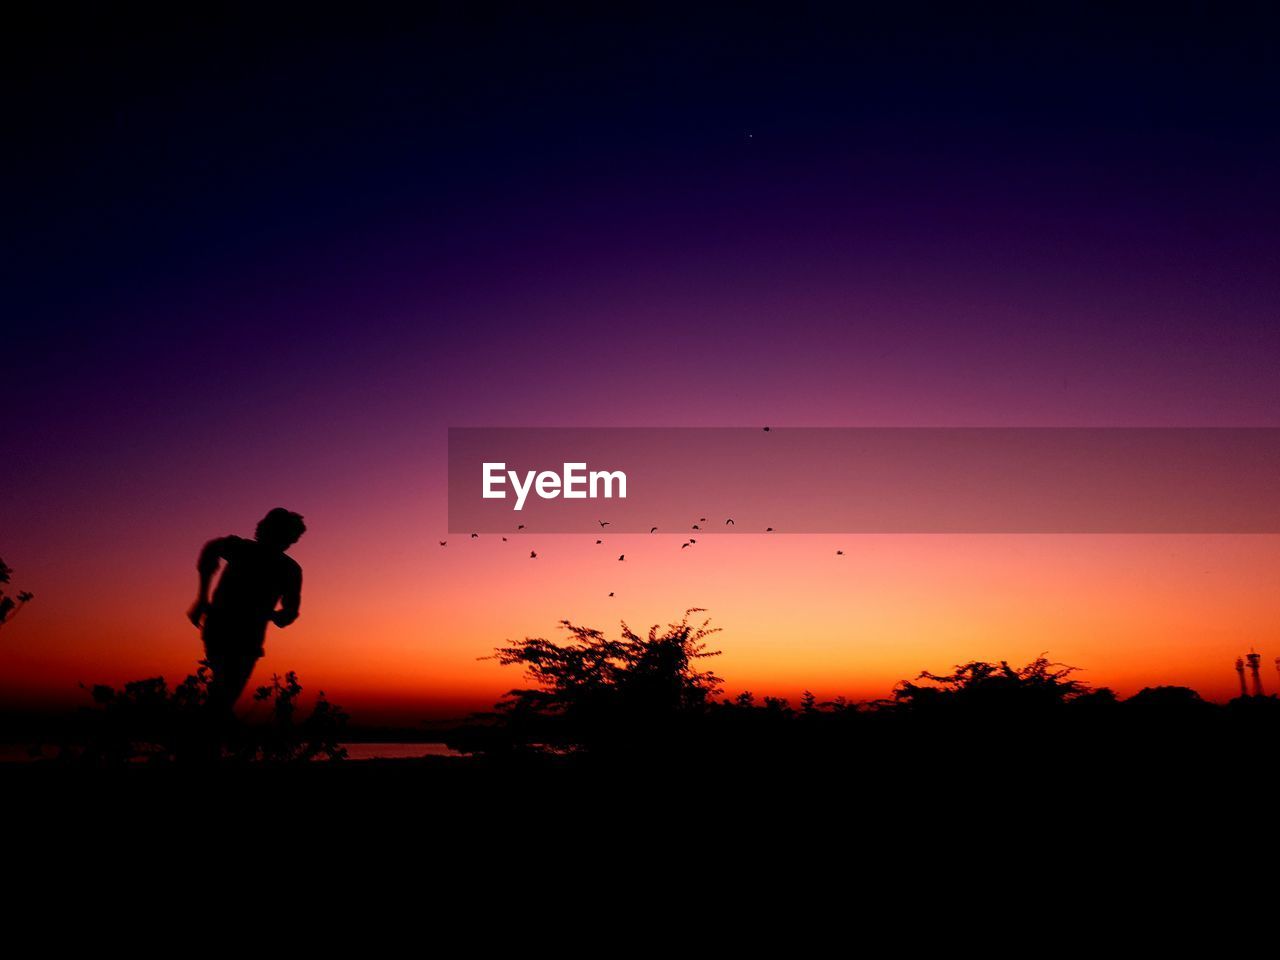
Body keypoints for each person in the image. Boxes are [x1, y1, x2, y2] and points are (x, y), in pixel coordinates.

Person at [188, 508, 306, 723]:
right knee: (223, 695)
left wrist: (276, 616)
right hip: (225, 631)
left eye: (291, 538)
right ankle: (200, 744)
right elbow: (211, 549)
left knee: (222, 697)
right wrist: (202, 596)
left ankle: (201, 742)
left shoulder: (288, 569)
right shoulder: (246, 550)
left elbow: (290, 612)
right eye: (287, 536)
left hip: (242, 637)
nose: (289, 541)